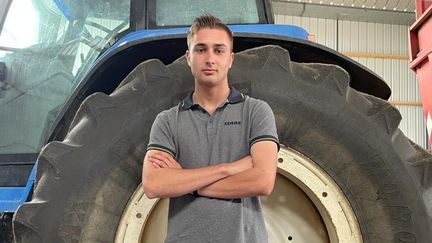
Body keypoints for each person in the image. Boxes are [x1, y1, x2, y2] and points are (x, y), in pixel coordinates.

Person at [142, 14, 279, 243]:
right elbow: (154, 184)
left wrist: (189, 185)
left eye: (218, 50)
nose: (210, 59)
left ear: (231, 58)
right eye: (201, 49)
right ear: (188, 57)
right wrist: (228, 169)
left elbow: (262, 181)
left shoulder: (256, 111)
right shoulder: (167, 121)